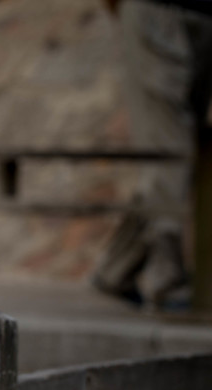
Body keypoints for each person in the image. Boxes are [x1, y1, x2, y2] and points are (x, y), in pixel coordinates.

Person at [91, 0, 212, 310]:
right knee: (168, 148)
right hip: (158, 9)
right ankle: (167, 278)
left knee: (179, 150)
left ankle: (117, 268)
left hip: (202, 15)